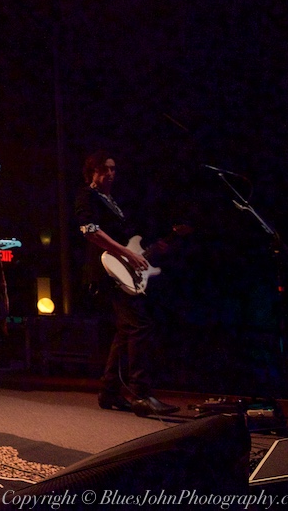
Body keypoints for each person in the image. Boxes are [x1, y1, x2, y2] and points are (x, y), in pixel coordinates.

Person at [74, 151, 179, 417]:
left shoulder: (111, 201)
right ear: (92, 173)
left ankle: (109, 391)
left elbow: (126, 243)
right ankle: (141, 394)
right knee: (139, 326)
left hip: (119, 268)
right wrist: (127, 254)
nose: (110, 174)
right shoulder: (87, 195)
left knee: (125, 331)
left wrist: (149, 251)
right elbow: (89, 230)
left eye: (113, 169)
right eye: (104, 169)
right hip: (106, 270)